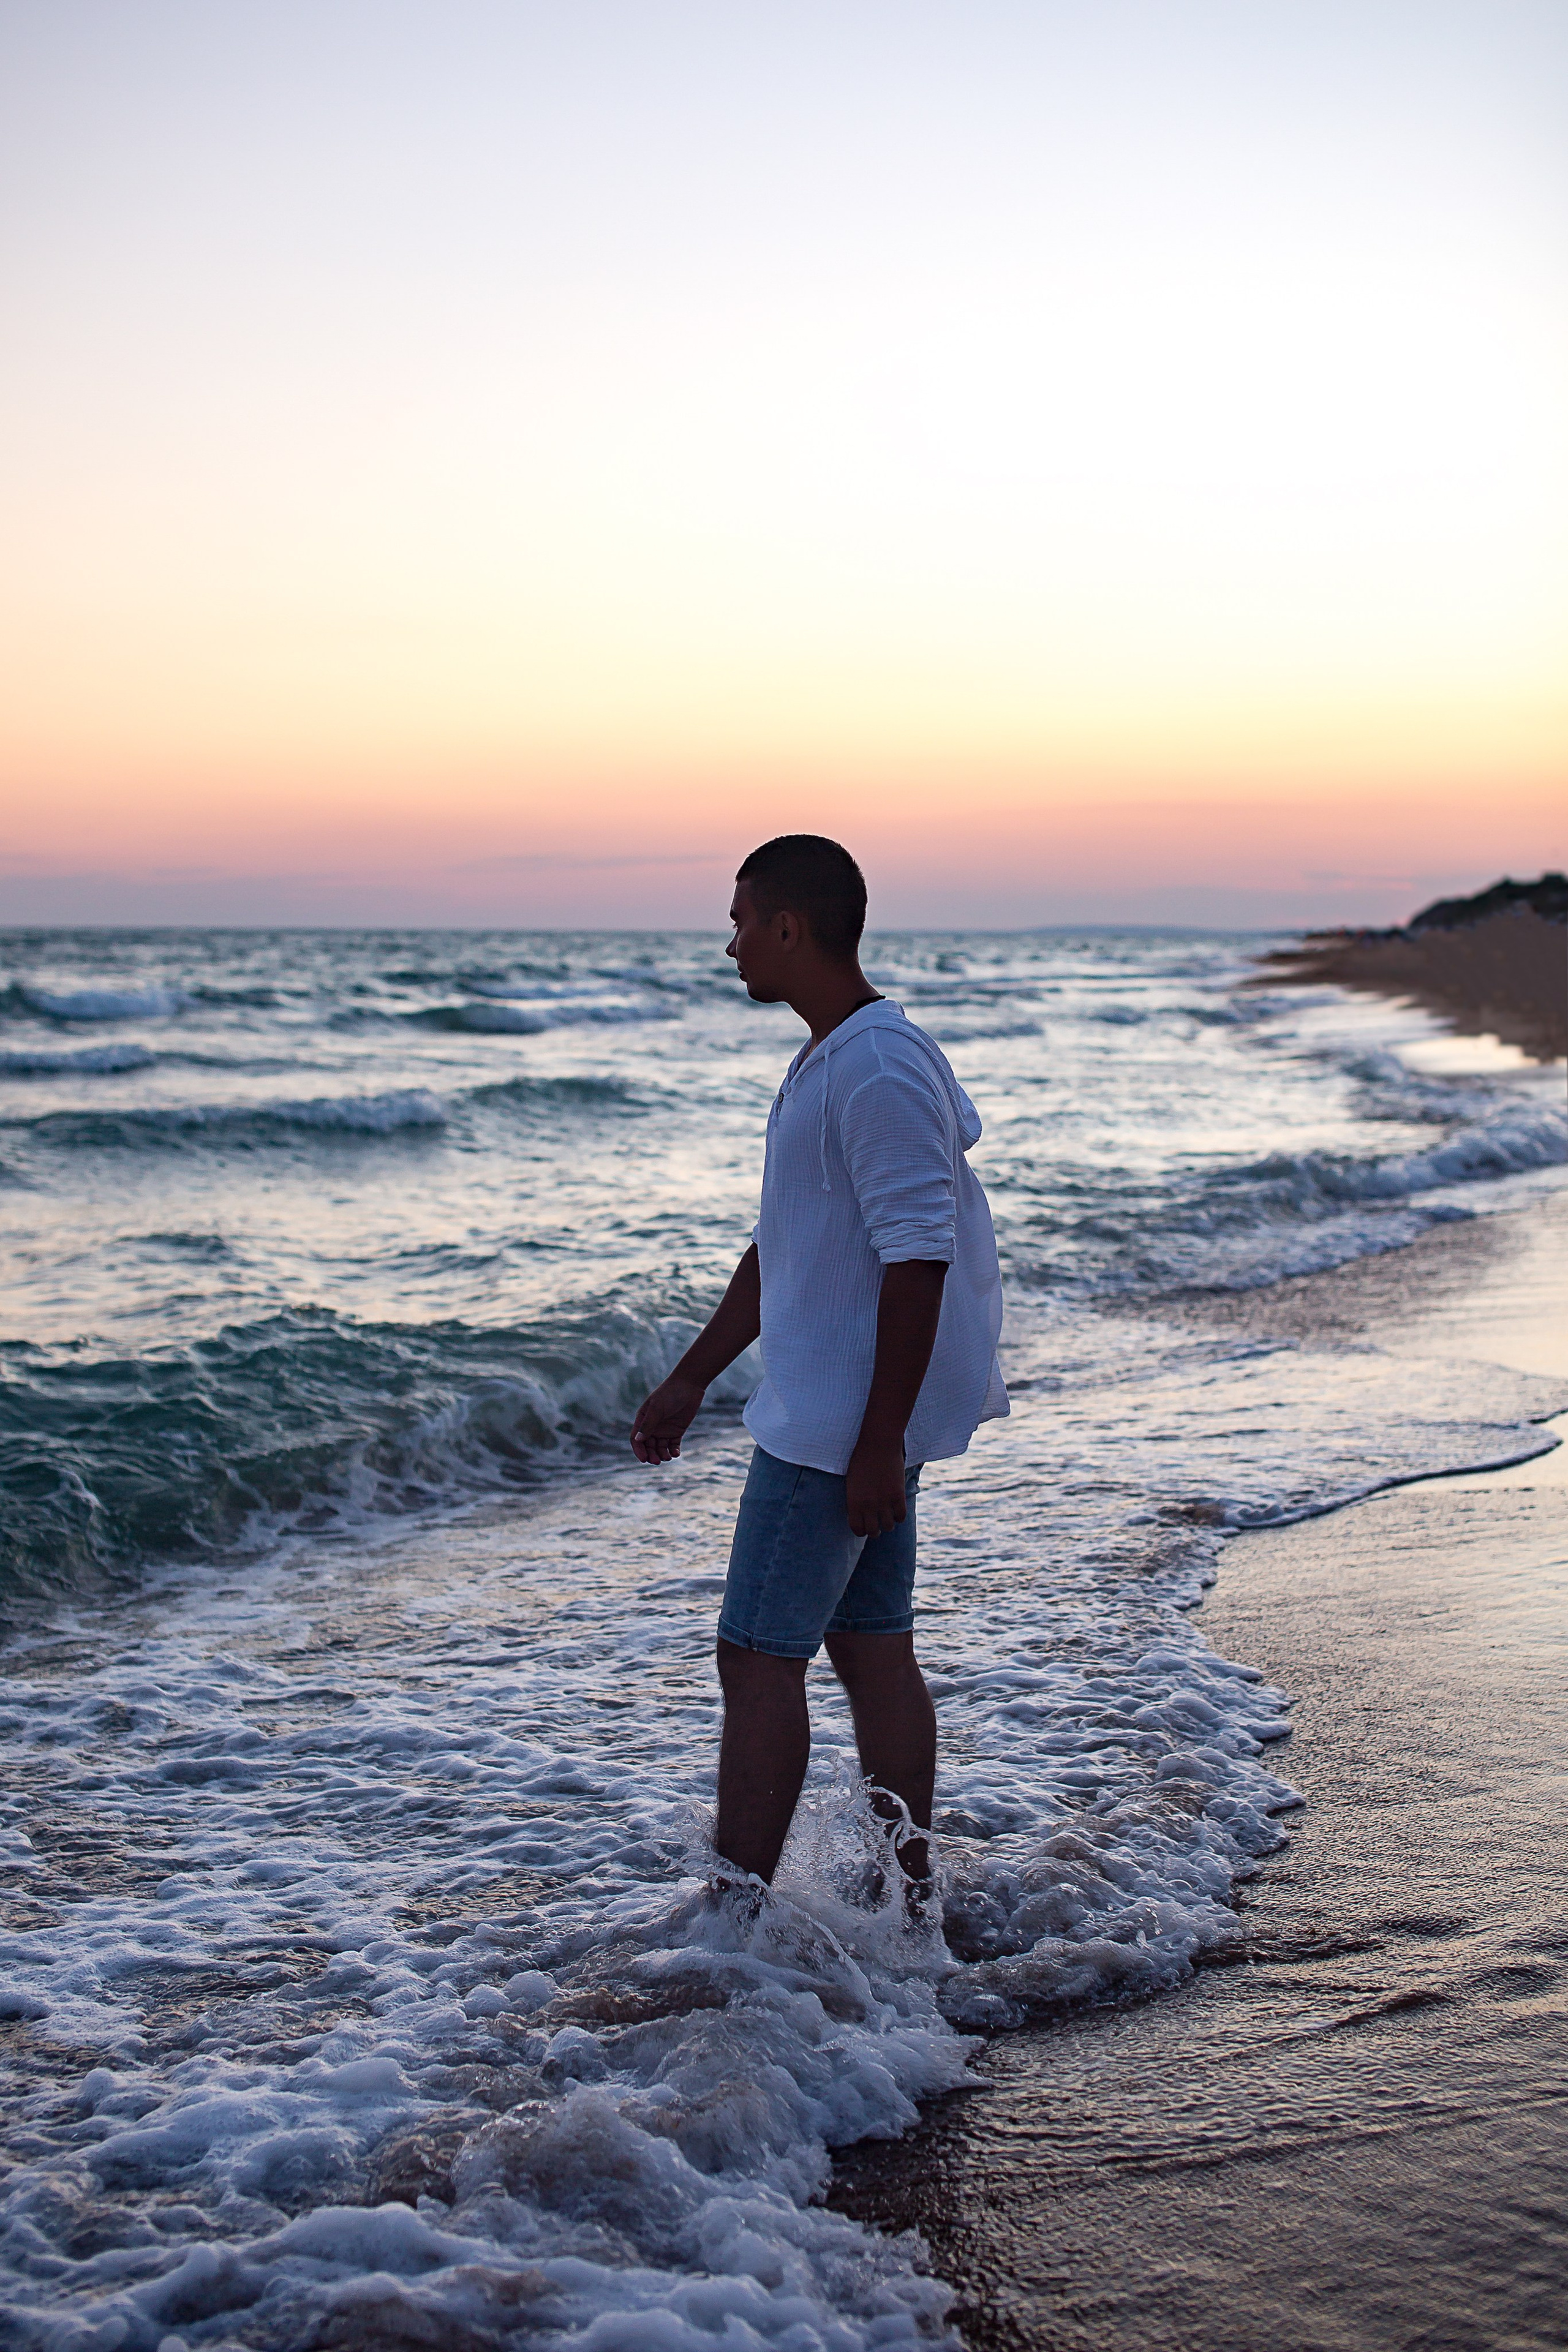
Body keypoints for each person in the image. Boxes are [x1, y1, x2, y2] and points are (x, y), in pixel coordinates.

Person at [630, 835, 1007, 1891]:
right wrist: (695, 1374)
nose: (733, 943)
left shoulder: (875, 1066)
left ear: (791, 927)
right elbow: (786, 1244)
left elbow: (918, 1256)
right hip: (856, 1416)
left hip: (838, 1428)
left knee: (757, 1658)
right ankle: (909, 1894)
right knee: (872, 1648)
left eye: (742, 921)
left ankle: (732, 1926)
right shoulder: (839, 1055)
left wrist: (878, 1440)